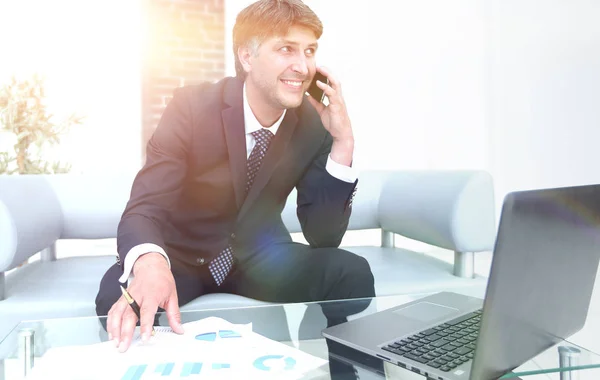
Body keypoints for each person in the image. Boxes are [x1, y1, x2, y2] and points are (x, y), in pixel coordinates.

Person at [95, 0, 375, 353]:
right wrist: (151, 265)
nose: (302, 66)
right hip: (182, 256)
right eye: (286, 49)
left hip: (263, 259)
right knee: (116, 299)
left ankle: (324, 362)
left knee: (351, 272)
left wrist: (342, 142)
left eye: (309, 51)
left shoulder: (312, 124)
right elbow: (145, 206)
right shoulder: (191, 106)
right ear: (247, 56)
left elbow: (323, 236)